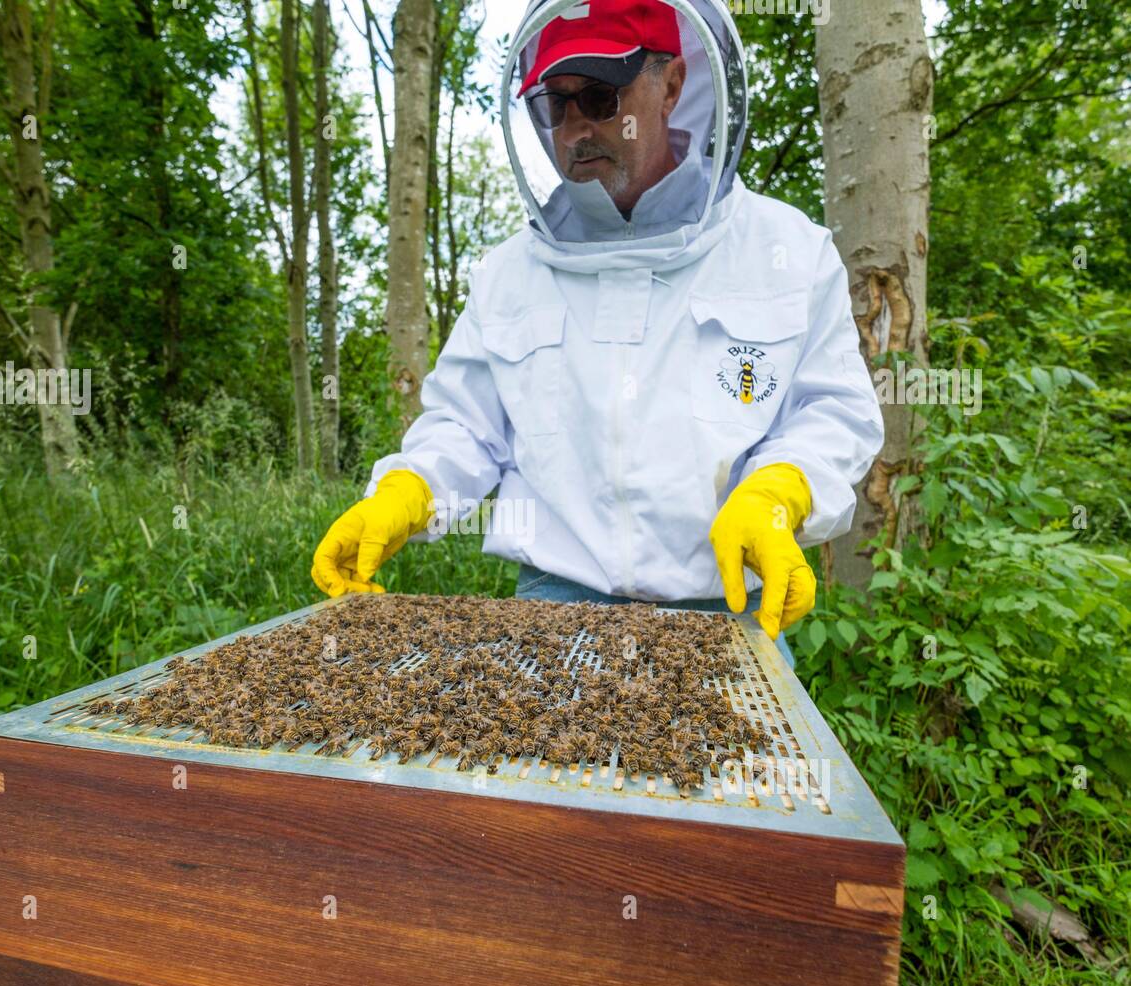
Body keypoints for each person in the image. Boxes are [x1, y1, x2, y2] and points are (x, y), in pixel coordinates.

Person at [311, 0, 884, 669]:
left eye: (601, 96)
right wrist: (408, 489)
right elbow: (466, 427)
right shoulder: (508, 273)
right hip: (547, 614)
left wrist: (779, 490)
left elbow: (834, 412)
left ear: (671, 86)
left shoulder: (785, 249)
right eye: (557, 105)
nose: (578, 127)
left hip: (726, 609)